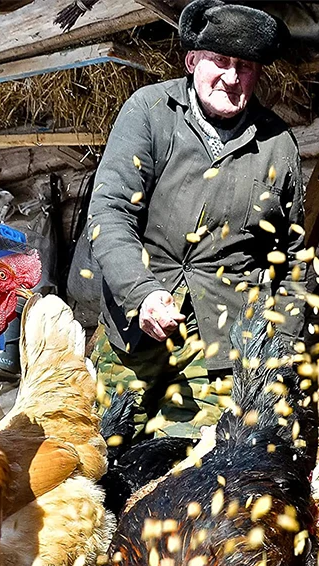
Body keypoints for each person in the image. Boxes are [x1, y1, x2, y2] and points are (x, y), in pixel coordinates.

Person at [84, 0, 307, 439]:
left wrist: (282, 348)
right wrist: (142, 293)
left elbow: (295, 257)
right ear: (191, 61)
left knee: (192, 466)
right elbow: (110, 211)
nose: (232, 77)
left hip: (220, 347)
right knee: (104, 450)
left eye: (245, 66)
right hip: (133, 329)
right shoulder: (149, 111)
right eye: (220, 60)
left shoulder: (278, 146)